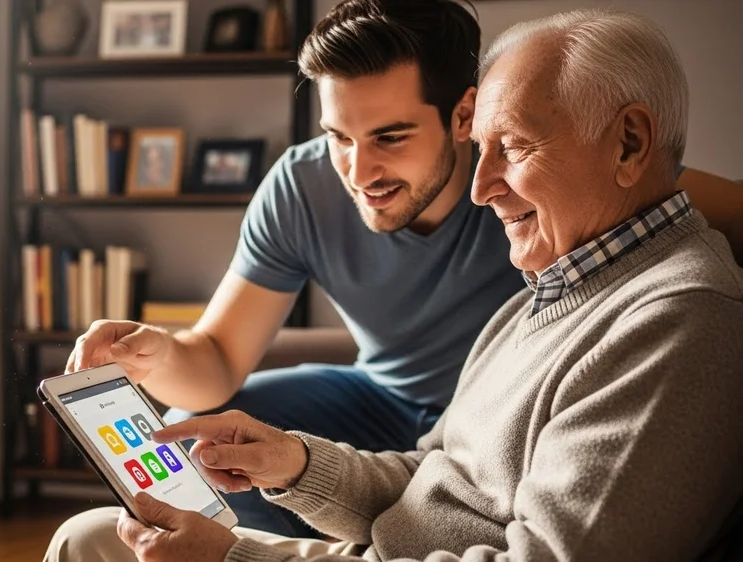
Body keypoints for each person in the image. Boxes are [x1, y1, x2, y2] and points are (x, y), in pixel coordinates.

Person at [45, 8, 743, 562]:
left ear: (460, 117)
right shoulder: (551, 281)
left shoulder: (665, 307)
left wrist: (241, 559)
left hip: (457, 473)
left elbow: (665, 210)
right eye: (338, 138)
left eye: (390, 136)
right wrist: (287, 459)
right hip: (402, 423)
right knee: (184, 458)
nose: (482, 187)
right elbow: (432, 472)